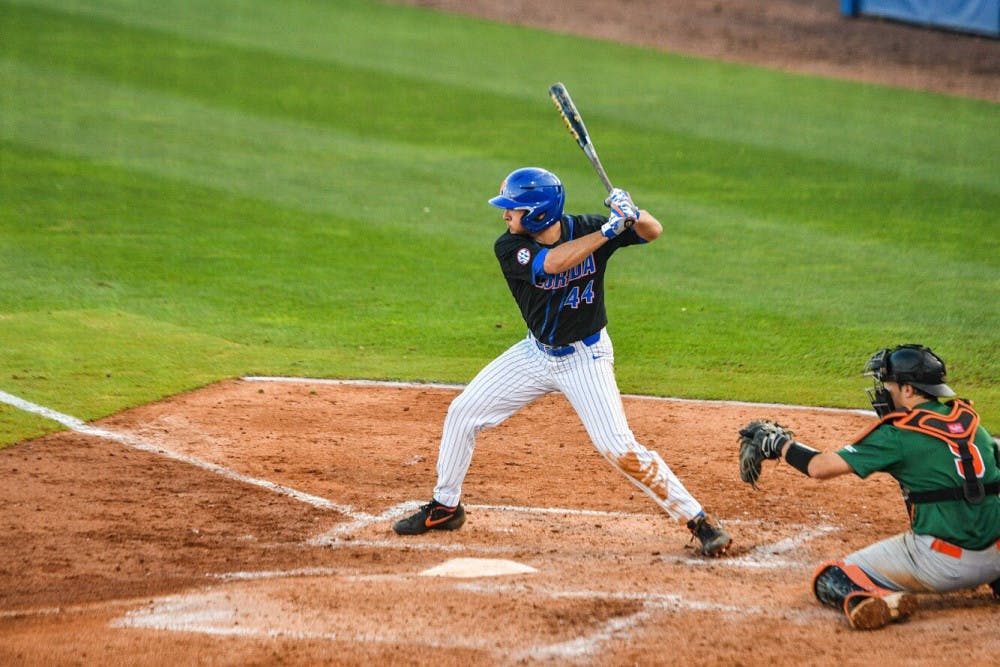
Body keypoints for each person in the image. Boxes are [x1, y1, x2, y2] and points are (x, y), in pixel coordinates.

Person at [392, 167, 731, 557]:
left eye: (513, 208)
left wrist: (633, 213)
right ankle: (445, 507)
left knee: (617, 447)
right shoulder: (510, 247)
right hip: (536, 354)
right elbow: (552, 264)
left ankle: (700, 521)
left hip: (586, 359)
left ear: (537, 213)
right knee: (463, 412)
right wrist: (608, 231)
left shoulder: (587, 227)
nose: (505, 215)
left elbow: (654, 231)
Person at [741, 344, 1000, 630]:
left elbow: (820, 467)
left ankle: (872, 601)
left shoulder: (898, 434)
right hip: (996, 555)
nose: (883, 392)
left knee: (833, 574)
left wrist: (777, 443)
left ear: (909, 390)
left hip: (944, 566)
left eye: (888, 385)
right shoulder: (975, 425)